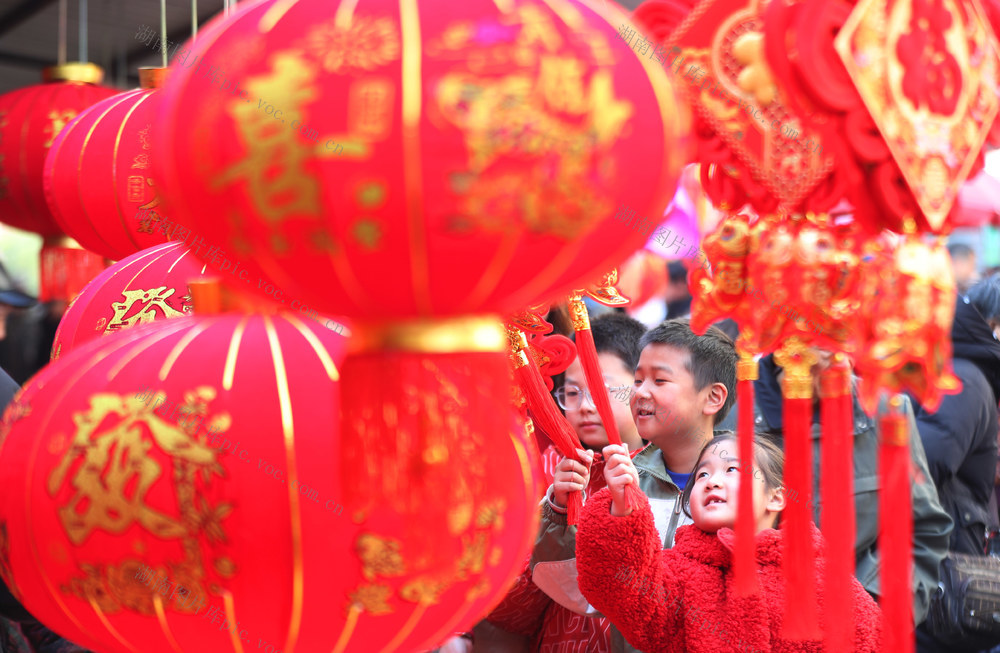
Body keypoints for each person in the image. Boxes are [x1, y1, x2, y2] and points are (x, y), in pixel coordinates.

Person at [503, 318, 736, 653]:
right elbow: (578, 587)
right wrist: (557, 511)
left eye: (659, 380)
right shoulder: (616, 477)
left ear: (713, 397)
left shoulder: (745, 484)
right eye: (638, 380)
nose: (640, 392)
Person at [575, 433, 882, 652]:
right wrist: (623, 507)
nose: (712, 480)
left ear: (776, 497)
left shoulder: (822, 576)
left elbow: (870, 637)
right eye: (703, 474)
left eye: (732, 469)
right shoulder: (675, 570)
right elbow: (620, 589)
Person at [476, 312, 646, 652]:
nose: (585, 406)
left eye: (603, 389)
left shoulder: (666, 469)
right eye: (571, 393)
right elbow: (509, 609)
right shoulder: (543, 469)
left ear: (640, 386)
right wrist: (554, 509)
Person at [751, 351, 952, 626]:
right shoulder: (734, 411)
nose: (841, 360)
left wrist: (882, 611)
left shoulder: (886, 410)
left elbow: (923, 528)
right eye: (822, 346)